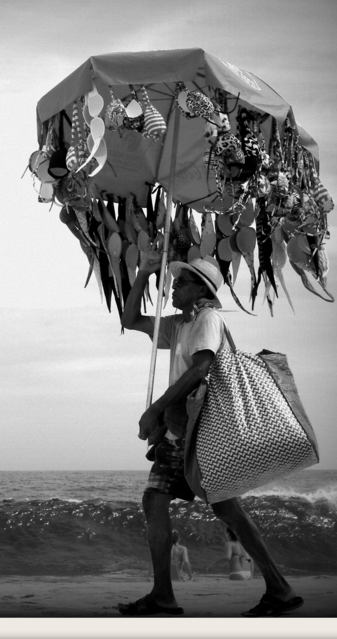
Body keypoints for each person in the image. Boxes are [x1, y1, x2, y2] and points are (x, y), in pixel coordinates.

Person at [115, 253, 303, 617]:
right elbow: (130, 319)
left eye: (181, 282)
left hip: (201, 430)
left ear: (202, 288)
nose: (173, 287)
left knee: (223, 506)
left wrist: (155, 408)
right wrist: (142, 274)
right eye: (174, 282)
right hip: (180, 431)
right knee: (159, 501)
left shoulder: (207, 320)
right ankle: (164, 595)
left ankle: (278, 588)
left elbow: (201, 369)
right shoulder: (179, 325)